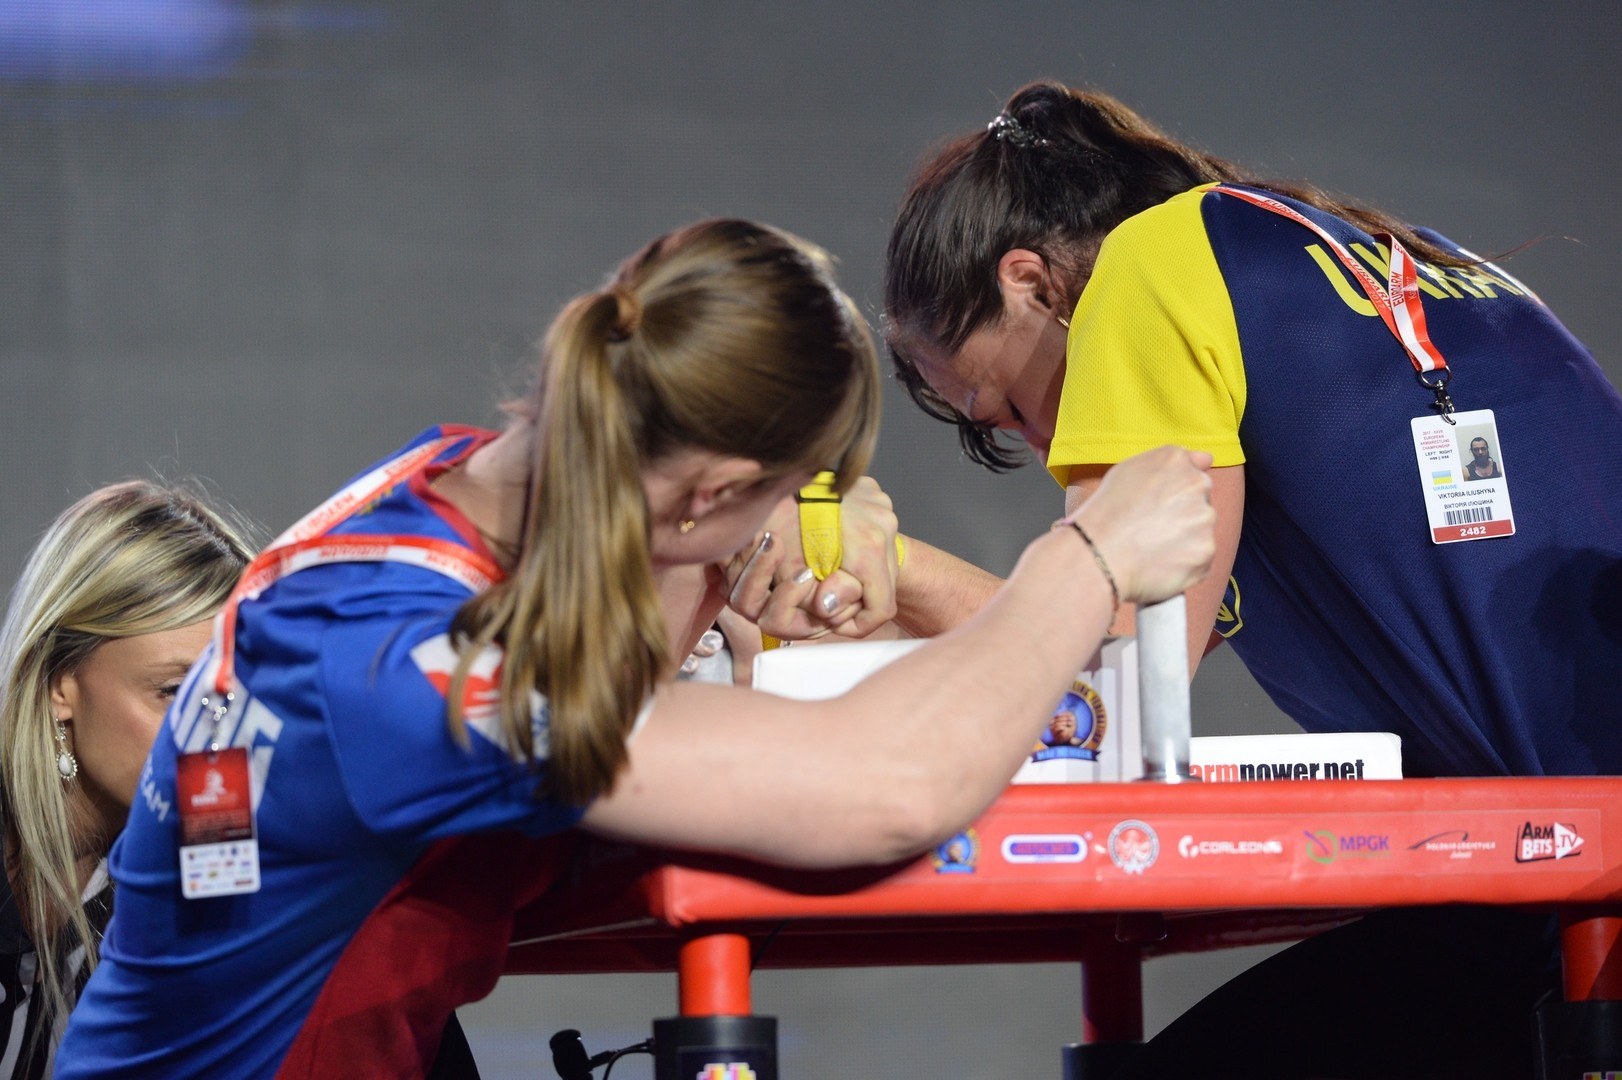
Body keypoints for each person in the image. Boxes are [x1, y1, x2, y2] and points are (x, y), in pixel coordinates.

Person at [56, 218, 1215, 1078]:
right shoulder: (411, 673)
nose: (723, 592)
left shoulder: (447, 490)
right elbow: (887, 788)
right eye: (729, 539)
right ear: (700, 496)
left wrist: (812, 525)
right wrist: (1089, 557)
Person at [882, 80, 1622, 1078]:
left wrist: (880, 564)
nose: (1038, 439)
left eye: (1003, 401)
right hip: (1549, 881)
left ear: (1031, 282)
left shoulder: (1142, 271)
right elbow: (1099, 642)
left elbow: (1107, 699)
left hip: (1562, 900)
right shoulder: (1393, 256)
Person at [0, 481, 254, 1078]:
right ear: (59, 683)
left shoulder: (210, 861)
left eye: (232, 699)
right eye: (172, 692)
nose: (212, 734)